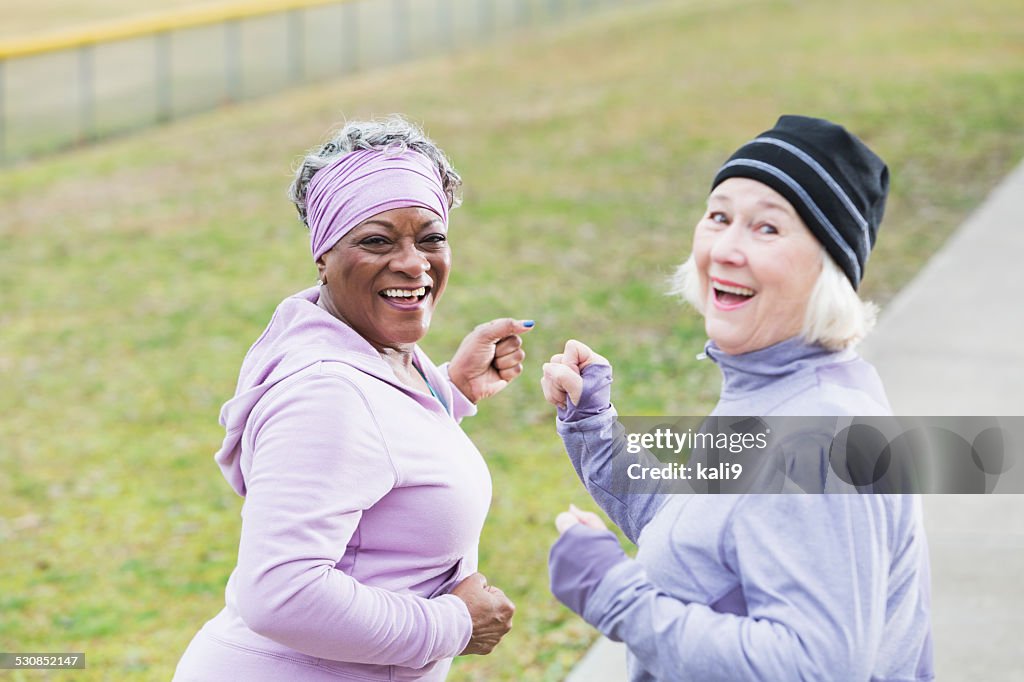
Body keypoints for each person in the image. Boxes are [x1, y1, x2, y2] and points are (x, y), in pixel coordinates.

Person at [541, 115, 934, 681]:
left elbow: (813, 667)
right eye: (719, 216)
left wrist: (615, 593)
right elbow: (701, 536)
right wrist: (594, 429)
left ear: (829, 269)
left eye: (767, 229)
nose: (725, 248)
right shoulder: (780, 391)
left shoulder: (818, 435)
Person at [174, 116, 528, 681]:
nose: (414, 264)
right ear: (324, 255)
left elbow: (375, 463)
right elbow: (281, 593)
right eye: (376, 241)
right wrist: (454, 625)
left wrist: (448, 392)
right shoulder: (327, 393)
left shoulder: (370, 357)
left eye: (431, 237)